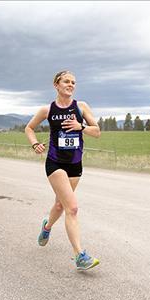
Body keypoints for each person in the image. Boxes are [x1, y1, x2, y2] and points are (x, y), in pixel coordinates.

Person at [25, 70, 101, 271]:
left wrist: (80, 126)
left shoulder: (81, 107)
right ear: (56, 85)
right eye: (66, 81)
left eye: (73, 82)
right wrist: (34, 144)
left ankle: (47, 226)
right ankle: (80, 256)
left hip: (75, 164)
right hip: (55, 163)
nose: (71, 85)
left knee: (60, 205)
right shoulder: (47, 109)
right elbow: (29, 128)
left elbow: (97, 131)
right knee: (72, 208)